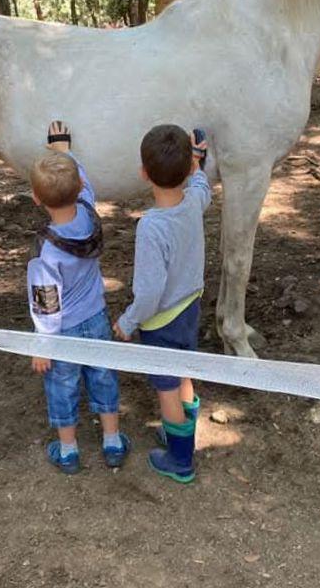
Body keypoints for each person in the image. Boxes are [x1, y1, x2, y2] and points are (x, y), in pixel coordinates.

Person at [27, 121, 130, 473]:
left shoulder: (46, 250)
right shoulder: (89, 214)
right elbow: (81, 180)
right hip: (96, 317)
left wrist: (44, 343)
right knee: (104, 376)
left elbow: (45, 302)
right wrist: (64, 151)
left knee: (63, 384)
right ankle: (112, 441)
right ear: (82, 186)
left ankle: (68, 450)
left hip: (64, 331)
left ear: (36, 198)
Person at [112, 125, 210, 484]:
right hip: (190, 307)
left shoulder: (151, 227)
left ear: (143, 173)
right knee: (183, 372)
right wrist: (198, 161)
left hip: (162, 321)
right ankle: (182, 431)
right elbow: (201, 186)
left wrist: (129, 320)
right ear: (186, 171)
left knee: (166, 387)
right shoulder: (194, 202)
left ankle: (180, 459)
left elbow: (150, 291)